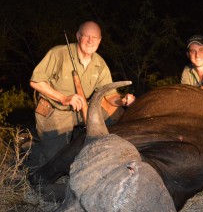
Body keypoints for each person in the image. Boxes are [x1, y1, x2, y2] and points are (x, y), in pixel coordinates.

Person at [28, 21, 135, 169]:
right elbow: (36, 82)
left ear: (100, 40)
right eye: (86, 36)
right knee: (57, 164)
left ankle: (111, 149)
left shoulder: (100, 63)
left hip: (81, 108)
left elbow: (110, 96)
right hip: (55, 110)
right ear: (78, 36)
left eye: (95, 37)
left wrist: (122, 101)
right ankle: (32, 149)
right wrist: (63, 98)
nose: (90, 41)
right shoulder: (58, 53)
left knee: (118, 114)